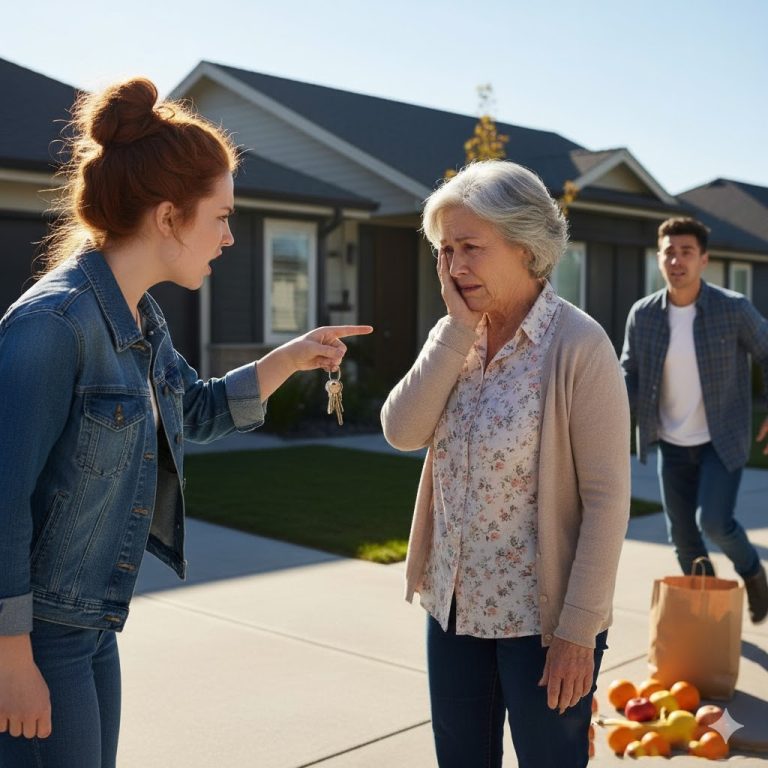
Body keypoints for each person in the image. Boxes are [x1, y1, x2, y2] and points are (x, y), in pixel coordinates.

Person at [0, 77, 372, 767]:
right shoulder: (52, 327)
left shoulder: (139, 317)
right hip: (39, 639)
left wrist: (289, 358)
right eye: (223, 217)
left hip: (91, 627)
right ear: (170, 217)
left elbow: (193, 410)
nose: (230, 237)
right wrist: (11, 661)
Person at [381, 160, 630, 768]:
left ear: (525, 246)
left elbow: (606, 499)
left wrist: (577, 631)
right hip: (455, 609)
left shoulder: (579, 345)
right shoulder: (454, 337)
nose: (455, 266)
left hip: (542, 623)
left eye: (471, 247)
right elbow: (401, 431)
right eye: (446, 250)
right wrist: (456, 331)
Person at [620, 216, 768, 623]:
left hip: (720, 439)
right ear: (659, 258)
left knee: (715, 523)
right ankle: (710, 617)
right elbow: (628, 372)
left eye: (686, 252)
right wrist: (609, 410)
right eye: (669, 251)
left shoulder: (732, 308)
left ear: (704, 259)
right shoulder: (644, 315)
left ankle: (754, 574)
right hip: (670, 442)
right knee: (684, 539)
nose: (676, 260)